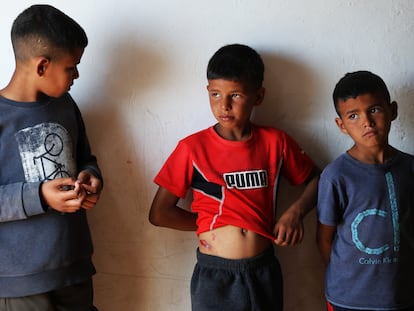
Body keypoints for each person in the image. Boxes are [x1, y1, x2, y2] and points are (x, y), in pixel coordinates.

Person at [149, 43, 320, 311]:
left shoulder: (275, 143)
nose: (224, 105)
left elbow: (318, 179)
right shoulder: (192, 149)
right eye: (215, 94)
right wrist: (210, 223)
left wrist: (295, 212)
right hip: (215, 274)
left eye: (236, 95)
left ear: (258, 96)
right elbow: (159, 214)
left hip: (262, 269)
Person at [0, 4, 103, 311]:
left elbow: (86, 157)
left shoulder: (65, 105)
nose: (77, 75)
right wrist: (40, 197)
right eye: (71, 67)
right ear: (42, 65)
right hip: (20, 283)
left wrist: (92, 177)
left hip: (73, 269)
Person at [317, 71, 414, 311]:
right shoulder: (337, 175)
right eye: (353, 116)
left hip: (403, 295)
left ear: (392, 110)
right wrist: (351, 278)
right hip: (349, 299)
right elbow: (324, 238)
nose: (367, 122)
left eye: (374, 110)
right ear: (341, 125)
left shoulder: (410, 168)